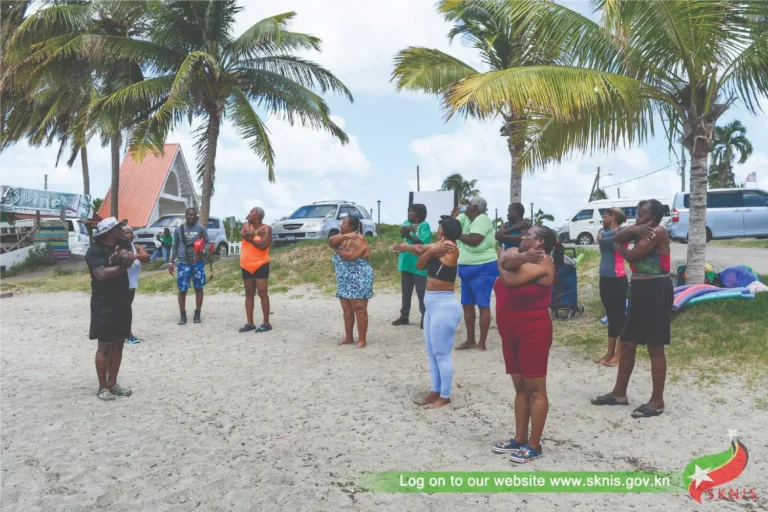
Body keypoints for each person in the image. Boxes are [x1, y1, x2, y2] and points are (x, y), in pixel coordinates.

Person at [591, 199, 672, 419]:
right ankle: (619, 394)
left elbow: (632, 254)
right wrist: (632, 231)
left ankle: (657, 401)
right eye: (637, 213)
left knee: (655, 346)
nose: (638, 217)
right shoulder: (638, 230)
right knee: (627, 342)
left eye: (642, 214)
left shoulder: (657, 232)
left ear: (653, 217)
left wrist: (621, 246)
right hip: (638, 288)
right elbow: (616, 237)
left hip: (656, 289)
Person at [492, 226, 560, 463]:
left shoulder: (544, 261)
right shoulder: (520, 254)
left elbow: (510, 279)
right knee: (520, 388)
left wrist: (501, 262)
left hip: (533, 332)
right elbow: (509, 258)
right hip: (511, 332)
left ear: (539, 242)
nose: (523, 237)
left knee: (535, 390)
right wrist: (512, 258)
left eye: (528, 235)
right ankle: (519, 438)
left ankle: (534, 444)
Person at [393, 216, 462, 408]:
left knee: (441, 353)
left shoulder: (449, 247)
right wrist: (411, 248)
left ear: (442, 231)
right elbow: (420, 254)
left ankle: (445, 396)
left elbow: (421, 258)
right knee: (432, 352)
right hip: (432, 304)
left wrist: (427, 250)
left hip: (444, 305)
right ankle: (435, 391)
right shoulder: (439, 246)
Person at [86, 217, 136, 401]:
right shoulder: (94, 251)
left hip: (122, 302)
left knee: (119, 343)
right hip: (104, 304)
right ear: (109, 232)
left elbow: (126, 255)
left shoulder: (123, 244)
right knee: (105, 345)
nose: (122, 230)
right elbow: (101, 274)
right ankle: (103, 387)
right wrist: (123, 265)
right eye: (118, 228)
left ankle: (113, 384)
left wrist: (121, 259)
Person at [452, 197, 498, 351]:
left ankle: (482, 343)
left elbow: (474, 240)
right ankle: (470, 340)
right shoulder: (465, 218)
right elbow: (449, 227)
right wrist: (453, 217)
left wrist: (456, 234)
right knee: (467, 305)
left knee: (483, 305)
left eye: (470, 204)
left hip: (482, 268)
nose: (467, 206)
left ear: (476, 207)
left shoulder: (483, 219)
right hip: (465, 269)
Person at [329, 216, 374, 349]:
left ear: (351, 226)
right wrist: (344, 236)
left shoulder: (359, 239)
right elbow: (331, 241)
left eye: (343, 223)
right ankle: (348, 337)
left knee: (359, 308)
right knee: (347, 309)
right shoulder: (342, 237)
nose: (340, 225)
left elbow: (350, 256)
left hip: (359, 277)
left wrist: (336, 249)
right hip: (344, 278)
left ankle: (362, 340)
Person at [595, 207, 629, 366]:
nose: (602, 219)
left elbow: (604, 239)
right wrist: (610, 234)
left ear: (613, 216)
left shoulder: (624, 233)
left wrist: (606, 236)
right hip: (605, 279)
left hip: (617, 279)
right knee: (611, 316)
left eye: (605, 216)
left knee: (619, 318)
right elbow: (602, 237)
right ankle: (610, 353)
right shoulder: (606, 231)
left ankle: (619, 354)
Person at [169, 207, 210, 325]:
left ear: (196, 216)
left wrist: (203, 251)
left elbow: (208, 242)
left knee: (199, 288)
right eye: (189, 215)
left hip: (198, 263)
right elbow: (175, 246)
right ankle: (183, 314)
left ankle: (197, 313)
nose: (191, 217)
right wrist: (171, 262)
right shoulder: (178, 230)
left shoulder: (201, 228)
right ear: (185, 215)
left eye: (193, 215)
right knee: (182, 290)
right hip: (183, 263)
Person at [392, 204, 431, 329]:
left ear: (418, 214)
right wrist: (408, 229)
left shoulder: (424, 225)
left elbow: (422, 243)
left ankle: (425, 317)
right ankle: (404, 316)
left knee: (421, 293)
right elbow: (402, 232)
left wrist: (408, 235)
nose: (409, 214)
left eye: (411, 212)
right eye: (408, 211)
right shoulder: (407, 222)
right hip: (406, 263)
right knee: (406, 292)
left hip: (419, 264)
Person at [239, 207, 273, 333]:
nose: (248, 214)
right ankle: (250, 323)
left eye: (251, 212)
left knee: (263, 293)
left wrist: (248, 239)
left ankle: (266, 323)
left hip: (261, 264)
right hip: (246, 264)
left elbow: (264, 245)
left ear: (258, 215)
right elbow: (248, 232)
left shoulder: (267, 228)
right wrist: (256, 234)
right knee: (249, 293)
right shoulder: (246, 224)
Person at [123, 226, 150, 343]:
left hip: (132, 285)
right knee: (125, 310)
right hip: (121, 285)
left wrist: (136, 256)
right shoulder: (119, 248)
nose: (129, 235)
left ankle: (122, 332)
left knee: (126, 308)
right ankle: (128, 334)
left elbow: (147, 257)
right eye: (126, 233)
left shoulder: (136, 247)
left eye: (131, 233)